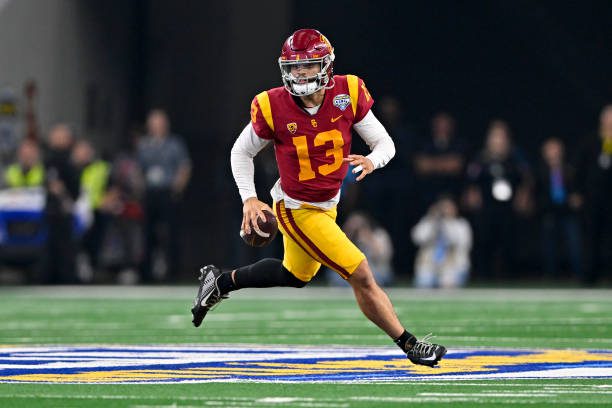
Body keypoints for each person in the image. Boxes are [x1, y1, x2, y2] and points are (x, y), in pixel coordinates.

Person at [190, 29, 446, 367]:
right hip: (296, 208)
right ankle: (410, 344)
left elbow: (385, 143)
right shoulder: (272, 104)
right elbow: (241, 152)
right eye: (293, 67)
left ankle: (220, 282)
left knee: (295, 275)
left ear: (325, 65)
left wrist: (372, 160)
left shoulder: (348, 92)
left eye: (307, 66)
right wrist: (249, 199)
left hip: (328, 205)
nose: (299, 74)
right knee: (362, 273)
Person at [137, 109, 191, 282]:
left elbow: (184, 167)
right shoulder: (144, 144)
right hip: (151, 192)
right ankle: (147, 272)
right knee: (148, 233)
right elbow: (139, 168)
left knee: (171, 232)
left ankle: (173, 271)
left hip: (168, 192)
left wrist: (177, 189)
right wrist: (141, 187)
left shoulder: (175, 144)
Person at [536, 138, 583, 280]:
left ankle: (578, 273)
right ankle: (551, 274)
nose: (554, 153)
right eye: (550, 149)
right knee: (549, 245)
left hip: (567, 212)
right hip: (549, 212)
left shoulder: (569, 169)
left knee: (574, 242)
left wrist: (576, 198)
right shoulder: (539, 171)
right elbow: (536, 192)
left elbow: (577, 188)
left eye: (556, 149)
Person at [576, 105, 612, 284]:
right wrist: (577, 192)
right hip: (592, 200)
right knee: (591, 238)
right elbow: (579, 170)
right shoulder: (590, 142)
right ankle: (589, 277)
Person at [41, 124, 80, 284]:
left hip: (65, 207)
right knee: (51, 244)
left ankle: (67, 277)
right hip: (52, 208)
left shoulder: (70, 160)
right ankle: (51, 276)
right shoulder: (49, 159)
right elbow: (47, 182)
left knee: (66, 245)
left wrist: (66, 196)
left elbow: (74, 186)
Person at [412, 196, 472, 288]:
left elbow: (458, 242)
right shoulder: (429, 222)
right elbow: (417, 238)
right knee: (424, 282)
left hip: (453, 266)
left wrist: (446, 223)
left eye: (448, 207)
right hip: (430, 266)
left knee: (447, 283)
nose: (445, 210)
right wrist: (432, 220)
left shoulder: (461, 225)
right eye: (443, 207)